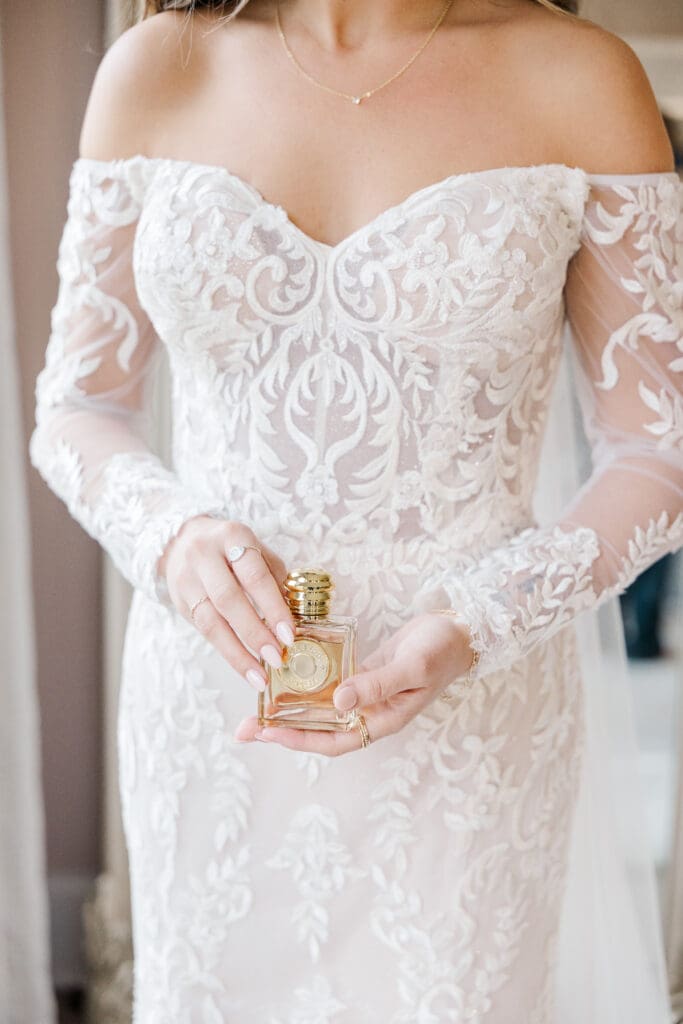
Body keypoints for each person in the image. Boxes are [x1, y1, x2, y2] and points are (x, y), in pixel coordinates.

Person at [29, 0, 683, 1020]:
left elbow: (655, 450)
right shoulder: (158, 66)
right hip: (217, 708)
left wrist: (475, 621)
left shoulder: (579, 77)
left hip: (469, 715)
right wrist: (172, 536)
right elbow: (77, 406)